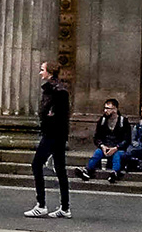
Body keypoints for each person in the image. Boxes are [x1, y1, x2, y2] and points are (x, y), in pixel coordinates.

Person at [25, 61, 71, 219]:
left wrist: (49, 118)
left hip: (53, 134)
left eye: (42, 70)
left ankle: (41, 204)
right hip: (55, 133)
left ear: (50, 72)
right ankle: (64, 207)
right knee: (60, 169)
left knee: (37, 164)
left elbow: (59, 116)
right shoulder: (55, 89)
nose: (40, 72)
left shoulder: (58, 91)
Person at [78, 99, 130, 182]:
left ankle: (114, 173)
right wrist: (102, 146)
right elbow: (97, 137)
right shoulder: (102, 121)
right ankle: (87, 170)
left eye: (108, 108)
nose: (105, 111)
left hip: (118, 148)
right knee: (97, 153)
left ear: (115, 109)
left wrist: (116, 147)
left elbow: (127, 139)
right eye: (105, 108)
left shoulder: (123, 121)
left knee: (118, 155)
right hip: (105, 146)